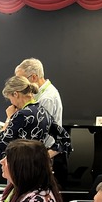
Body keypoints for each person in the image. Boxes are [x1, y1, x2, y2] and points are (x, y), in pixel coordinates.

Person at [0, 75, 72, 161]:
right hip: (37, 168)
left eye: (10, 98)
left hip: (21, 168)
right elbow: (65, 139)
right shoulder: (43, 112)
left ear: (15, 94)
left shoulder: (21, 115)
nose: (11, 102)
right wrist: (43, 157)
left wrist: (8, 119)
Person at [15, 58, 67, 186]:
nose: (19, 84)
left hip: (42, 154)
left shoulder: (47, 98)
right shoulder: (39, 95)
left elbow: (39, 132)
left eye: (21, 80)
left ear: (33, 77)